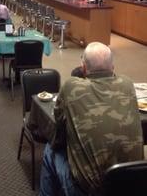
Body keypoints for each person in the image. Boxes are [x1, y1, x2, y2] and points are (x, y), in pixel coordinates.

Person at [39, 42, 143, 196]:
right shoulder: (127, 84)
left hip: (91, 190)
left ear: (84, 69)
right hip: (132, 184)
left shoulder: (71, 87)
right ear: (113, 67)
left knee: (50, 150)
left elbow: (59, 126)